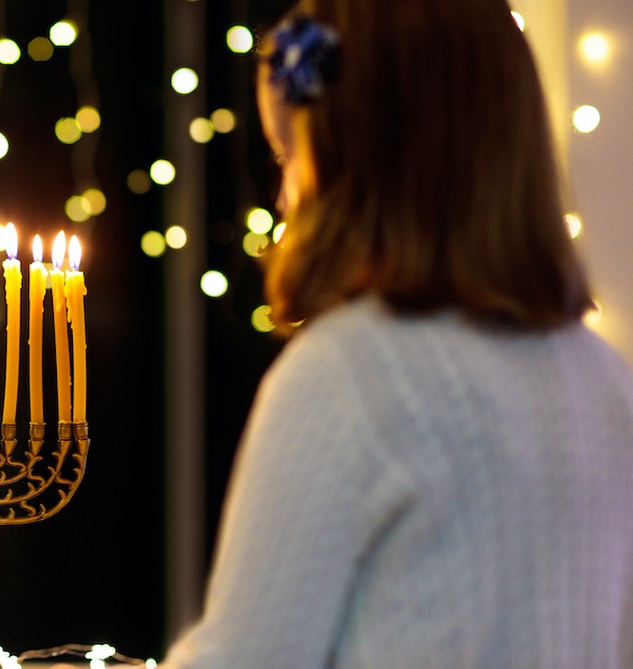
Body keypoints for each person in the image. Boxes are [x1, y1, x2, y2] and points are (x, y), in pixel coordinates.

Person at [160, 0, 633, 667]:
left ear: (364, 158)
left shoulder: (347, 375)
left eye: (293, 155)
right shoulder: (607, 382)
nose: (285, 196)